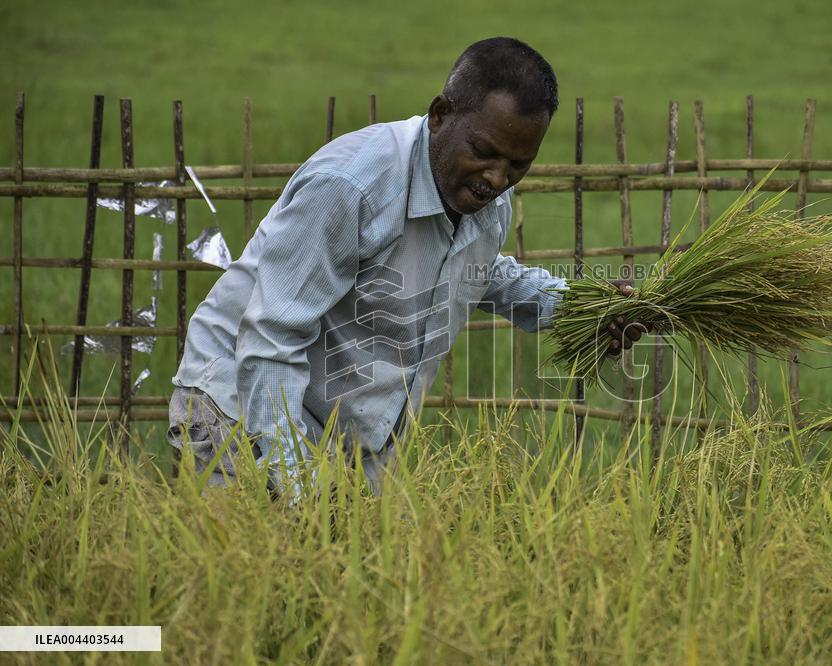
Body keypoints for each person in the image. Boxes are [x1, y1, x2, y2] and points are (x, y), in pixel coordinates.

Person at [167, 37, 644, 502]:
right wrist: (300, 489)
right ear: (440, 115)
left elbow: (480, 271)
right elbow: (271, 339)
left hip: (336, 430)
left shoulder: (484, 196)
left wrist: (579, 308)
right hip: (238, 408)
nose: (498, 178)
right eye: (484, 151)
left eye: (519, 164)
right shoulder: (351, 186)